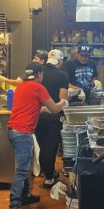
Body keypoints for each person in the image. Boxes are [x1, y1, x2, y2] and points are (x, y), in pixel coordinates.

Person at [5, 62, 68, 209]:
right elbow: (55, 109)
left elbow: (31, 107)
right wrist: (63, 102)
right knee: (21, 171)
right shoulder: (38, 87)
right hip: (22, 133)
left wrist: (42, 109)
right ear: (40, 74)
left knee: (25, 166)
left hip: (13, 131)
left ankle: (24, 195)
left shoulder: (23, 87)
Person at [35, 49, 68, 188]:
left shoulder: (39, 73)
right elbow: (62, 98)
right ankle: (48, 179)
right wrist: (66, 101)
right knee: (50, 148)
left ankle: (48, 171)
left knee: (42, 147)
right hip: (53, 116)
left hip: (36, 115)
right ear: (60, 62)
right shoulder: (62, 76)